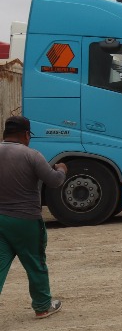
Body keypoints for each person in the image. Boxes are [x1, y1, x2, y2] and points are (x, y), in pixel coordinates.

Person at [0, 116, 68, 319]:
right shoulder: (31, 155)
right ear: (26, 135)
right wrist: (62, 169)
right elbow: (54, 181)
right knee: (35, 262)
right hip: (26, 220)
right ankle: (42, 306)